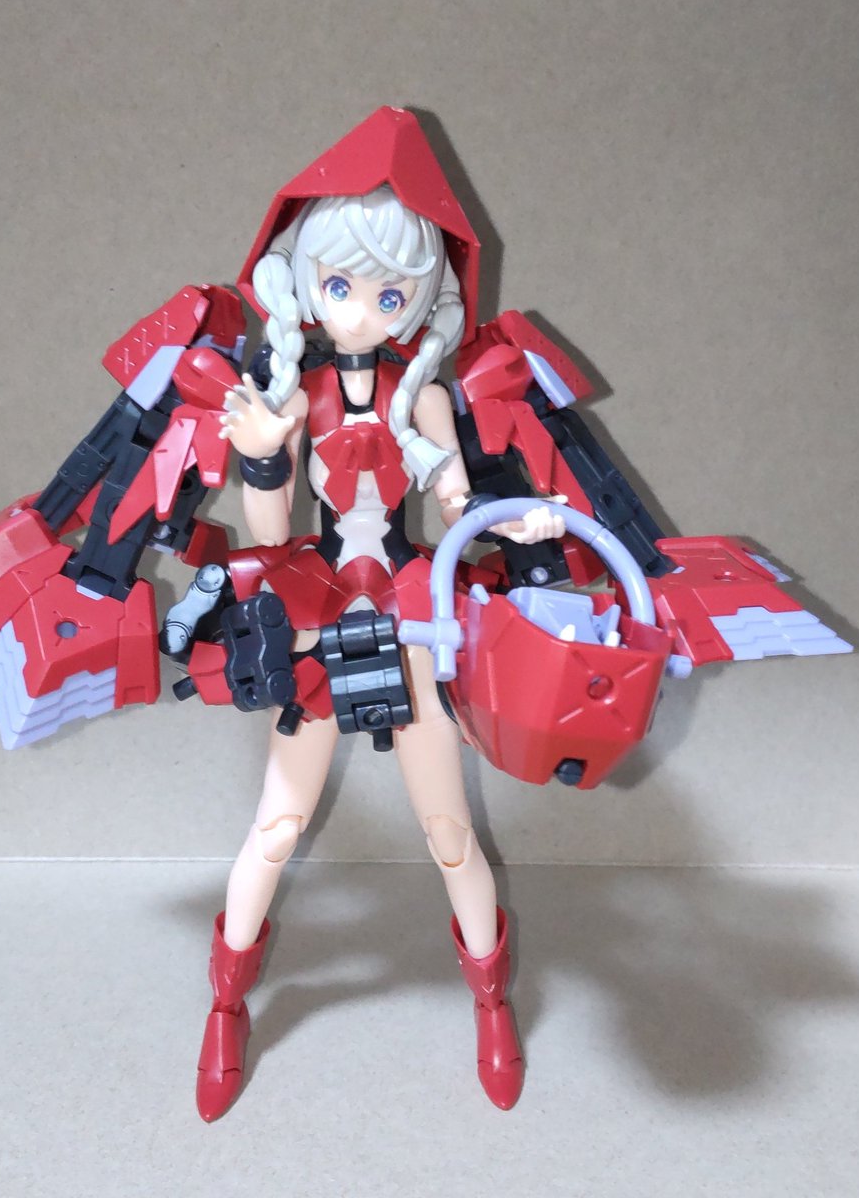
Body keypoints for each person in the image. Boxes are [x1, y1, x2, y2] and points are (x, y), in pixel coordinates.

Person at [196, 108, 564, 1121]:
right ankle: (225, 1004)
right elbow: (270, 536)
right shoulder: (292, 390)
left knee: (448, 830)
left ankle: (491, 1002)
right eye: (342, 286)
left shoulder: (424, 396)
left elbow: (456, 505)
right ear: (304, 282)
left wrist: (520, 519)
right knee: (277, 825)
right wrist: (262, 455)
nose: (361, 312)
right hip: (320, 611)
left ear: (422, 299)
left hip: (408, 613)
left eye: (389, 293)